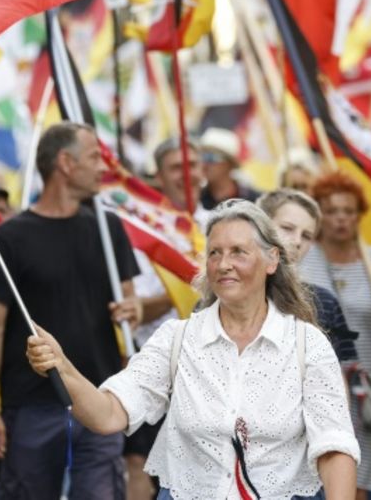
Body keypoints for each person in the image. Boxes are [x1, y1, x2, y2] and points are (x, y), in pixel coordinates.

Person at [25, 200, 360, 499]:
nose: (224, 263)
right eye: (215, 252)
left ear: (272, 260)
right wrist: (63, 366)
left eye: (238, 252)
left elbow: (335, 447)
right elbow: (108, 414)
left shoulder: (306, 343)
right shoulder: (176, 339)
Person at [0, 121, 141, 500]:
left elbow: (130, 304)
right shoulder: (8, 238)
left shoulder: (108, 226)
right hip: (32, 405)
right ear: (66, 163)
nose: (104, 167)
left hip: (101, 400)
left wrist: (134, 311)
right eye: (95, 157)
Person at [124, 135, 207, 499]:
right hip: (157, 367)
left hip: (209, 369)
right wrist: (188, 287)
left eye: (193, 166)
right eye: (176, 167)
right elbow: (137, 304)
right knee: (148, 468)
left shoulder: (221, 224)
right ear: (158, 175)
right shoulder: (143, 230)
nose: (187, 175)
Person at [300, 172, 371, 500]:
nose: (341, 219)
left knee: (364, 486)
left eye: (348, 211)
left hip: (366, 395)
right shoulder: (304, 260)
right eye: (332, 211)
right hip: (320, 389)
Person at [258, 189, 360, 364]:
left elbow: (348, 374)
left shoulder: (324, 302)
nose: (297, 241)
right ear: (259, 227)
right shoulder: (226, 296)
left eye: (306, 236)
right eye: (287, 228)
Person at [199, 127, 262, 209]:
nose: (204, 164)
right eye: (202, 157)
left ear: (229, 164)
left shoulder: (255, 200)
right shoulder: (197, 200)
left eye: (210, 157)